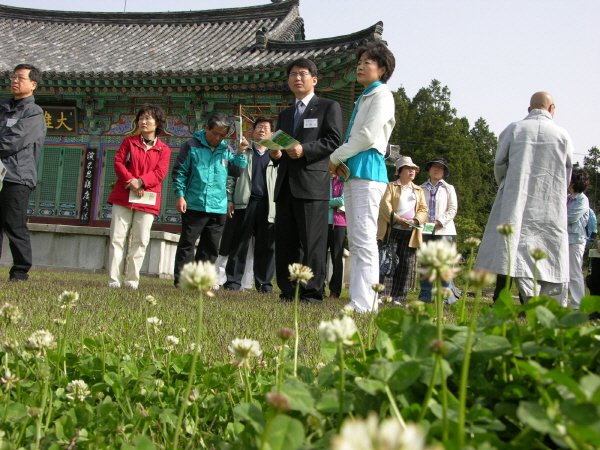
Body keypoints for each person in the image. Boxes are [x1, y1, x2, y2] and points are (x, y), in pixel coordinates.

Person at [475, 92, 573, 302]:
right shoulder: (562, 135)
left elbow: (499, 164)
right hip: (549, 202)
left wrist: (507, 185)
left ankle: (501, 299)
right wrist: (557, 192)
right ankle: (540, 301)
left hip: (515, 199)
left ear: (529, 110)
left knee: (509, 248)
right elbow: (567, 171)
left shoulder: (515, 128)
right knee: (545, 248)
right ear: (552, 109)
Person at [327, 41, 396, 312]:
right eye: (360, 61)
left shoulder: (382, 95)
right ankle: (361, 299)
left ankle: (365, 303)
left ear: (382, 69)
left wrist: (335, 156)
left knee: (364, 238)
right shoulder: (365, 96)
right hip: (355, 168)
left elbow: (367, 136)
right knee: (356, 238)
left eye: (368, 62)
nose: (360, 66)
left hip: (368, 167)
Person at [270, 58, 343, 302]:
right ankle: (289, 290)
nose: (297, 78)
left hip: (312, 185)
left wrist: (305, 150)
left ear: (314, 79)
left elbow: (334, 140)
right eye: (292, 74)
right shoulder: (285, 114)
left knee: (312, 242)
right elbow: (281, 148)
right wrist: (275, 154)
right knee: (286, 241)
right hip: (285, 185)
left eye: (302, 73)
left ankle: (312, 292)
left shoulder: (327, 107)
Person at [172, 112, 248, 287]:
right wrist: (180, 196)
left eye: (222, 135)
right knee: (187, 244)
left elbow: (236, 171)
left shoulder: (226, 149)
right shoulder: (191, 146)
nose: (218, 138)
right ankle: (183, 281)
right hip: (194, 203)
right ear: (206, 128)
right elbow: (179, 173)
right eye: (215, 133)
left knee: (210, 247)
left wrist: (241, 151)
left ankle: (202, 282)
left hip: (217, 207)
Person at [106, 105, 171, 289]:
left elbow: (160, 172)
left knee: (141, 240)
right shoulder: (129, 142)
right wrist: (132, 182)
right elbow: (118, 163)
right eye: (141, 118)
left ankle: (132, 280)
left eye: (148, 118)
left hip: (147, 199)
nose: (143, 121)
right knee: (117, 238)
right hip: (124, 195)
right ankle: (113, 279)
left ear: (157, 123)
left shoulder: (164, 149)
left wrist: (142, 182)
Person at [0, 64, 46, 282]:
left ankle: (20, 271)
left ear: (33, 84)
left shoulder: (34, 113)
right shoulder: (3, 107)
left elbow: (12, 141)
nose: (14, 81)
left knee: (14, 224)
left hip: (17, 177)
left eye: (20, 78)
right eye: (13, 77)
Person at [224, 117, 277, 293]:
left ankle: (264, 284)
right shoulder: (243, 153)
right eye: (259, 127)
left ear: (271, 134)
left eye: (266, 128)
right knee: (239, 243)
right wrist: (230, 199)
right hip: (245, 202)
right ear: (252, 132)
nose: (262, 130)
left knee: (266, 245)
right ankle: (232, 282)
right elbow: (231, 177)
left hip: (268, 205)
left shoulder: (275, 156)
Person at [377, 157, 428, 304]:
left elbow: (423, 209)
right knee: (388, 261)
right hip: (392, 230)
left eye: (414, 169)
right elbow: (385, 205)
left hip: (410, 233)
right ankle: (383, 295)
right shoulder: (390, 186)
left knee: (406, 265)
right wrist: (398, 219)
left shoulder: (418, 190)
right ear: (399, 171)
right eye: (408, 168)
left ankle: (399, 297)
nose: (412, 171)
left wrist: (416, 220)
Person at [418, 157, 458, 304]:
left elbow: (452, 209)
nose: (437, 169)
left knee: (445, 264)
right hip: (426, 230)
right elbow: (419, 208)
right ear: (429, 169)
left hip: (444, 230)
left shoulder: (449, 188)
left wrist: (439, 222)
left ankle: (445, 298)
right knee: (426, 264)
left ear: (444, 172)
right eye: (434, 167)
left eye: (440, 168)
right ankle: (425, 296)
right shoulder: (421, 188)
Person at [561, 168, 590, 309]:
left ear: (575, 182)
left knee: (574, 272)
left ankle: (578, 304)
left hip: (575, 240)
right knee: (562, 271)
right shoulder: (567, 198)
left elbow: (571, 217)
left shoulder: (582, 200)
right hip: (563, 238)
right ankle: (562, 302)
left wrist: (555, 217)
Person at [326, 174, 346, 298]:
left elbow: (343, 200)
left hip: (340, 223)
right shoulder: (323, 179)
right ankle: (319, 287)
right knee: (319, 257)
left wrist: (325, 202)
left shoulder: (344, 181)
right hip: (322, 222)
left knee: (337, 258)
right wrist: (332, 203)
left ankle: (335, 290)